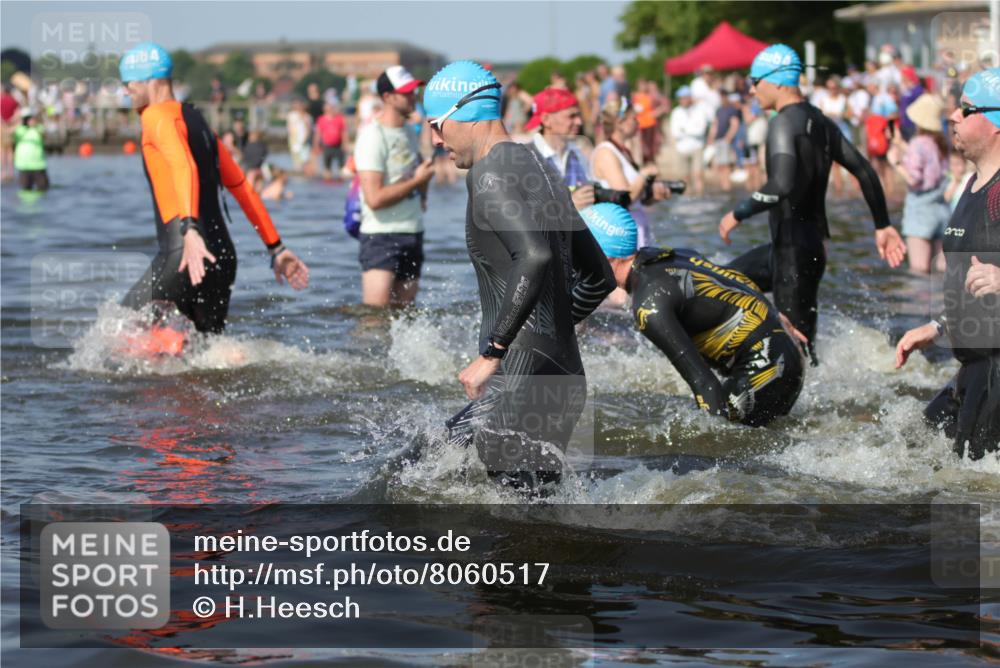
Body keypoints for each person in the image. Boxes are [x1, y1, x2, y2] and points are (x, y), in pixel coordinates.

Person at [423, 60, 615, 492]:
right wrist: (555, 332)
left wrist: (493, 353)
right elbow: (600, 276)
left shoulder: (488, 173)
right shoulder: (541, 168)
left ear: (466, 113)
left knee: (410, 480)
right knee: (532, 523)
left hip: (517, 377)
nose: (436, 139)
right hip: (564, 376)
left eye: (437, 125)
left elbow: (534, 255)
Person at [719, 44, 906, 364]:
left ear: (777, 82)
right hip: (799, 248)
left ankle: (817, 407)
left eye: (755, 80)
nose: (751, 89)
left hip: (794, 251)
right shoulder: (821, 121)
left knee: (800, 349)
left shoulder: (782, 123)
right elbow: (864, 170)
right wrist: (882, 224)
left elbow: (780, 184)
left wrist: (737, 214)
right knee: (722, 287)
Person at [117, 42, 309, 334]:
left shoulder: (155, 117)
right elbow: (241, 185)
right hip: (222, 255)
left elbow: (184, 166)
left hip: (185, 252)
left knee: (121, 333)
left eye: (127, 83)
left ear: (148, 80)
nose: (125, 90)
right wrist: (276, 247)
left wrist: (190, 229)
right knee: (206, 355)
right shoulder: (196, 120)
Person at [582, 203, 805, 425]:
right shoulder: (668, 257)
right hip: (784, 352)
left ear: (603, 254)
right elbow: (727, 281)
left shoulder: (649, 306)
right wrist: (773, 315)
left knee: (730, 436)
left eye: (580, 252)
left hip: (769, 369)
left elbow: (704, 385)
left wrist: (711, 446)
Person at [895, 68, 1000, 460]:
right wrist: (939, 326)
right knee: (914, 449)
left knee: (969, 490)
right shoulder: (972, 187)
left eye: (967, 109)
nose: (953, 116)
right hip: (974, 364)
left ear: (996, 125)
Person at [354, 65, 434, 308]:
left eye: (414, 91)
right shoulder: (372, 136)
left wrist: (423, 186)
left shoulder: (410, 132)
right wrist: (417, 181)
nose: (413, 96)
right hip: (381, 235)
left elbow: (419, 182)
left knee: (405, 318)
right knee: (374, 317)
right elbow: (374, 198)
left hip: (413, 231)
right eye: (407, 92)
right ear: (387, 97)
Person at [591, 97, 671, 249]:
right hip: (621, 234)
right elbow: (625, 198)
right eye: (634, 118)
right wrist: (644, 173)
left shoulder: (623, 151)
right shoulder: (606, 152)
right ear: (620, 124)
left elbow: (636, 198)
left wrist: (654, 197)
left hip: (636, 229)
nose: (638, 122)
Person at [887, 93, 950, 274]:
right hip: (941, 210)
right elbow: (928, 162)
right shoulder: (940, 142)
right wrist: (900, 144)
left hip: (920, 212)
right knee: (941, 273)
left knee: (919, 271)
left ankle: (919, 304)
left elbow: (914, 179)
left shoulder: (917, 143)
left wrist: (896, 163)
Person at [523, 87, 594, 210]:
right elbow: (522, 213)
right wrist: (568, 207)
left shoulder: (577, 153)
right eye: (571, 116)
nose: (579, 122)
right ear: (546, 120)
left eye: (578, 115)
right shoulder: (526, 158)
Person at [669, 86, 707, 196]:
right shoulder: (676, 112)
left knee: (698, 175)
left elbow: (701, 130)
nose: (684, 100)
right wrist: (691, 130)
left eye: (686, 97)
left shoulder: (699, 111)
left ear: (690, 98)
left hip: (697, 146)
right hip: (682, 149)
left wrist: (685, 130)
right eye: (682, 98)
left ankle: (699, 198)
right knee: (684, 178)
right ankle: (687, 199)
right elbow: (676, 132)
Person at [707, 92, 741, 192]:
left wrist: (728, 138)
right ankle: (723, 187)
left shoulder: (731, 110)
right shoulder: (719, 110)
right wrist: (711, 137)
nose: (721, 98)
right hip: (718, 140)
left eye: (723, 96)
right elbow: (715, 125)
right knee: (719, 165)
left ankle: (727, 187)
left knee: (725, 165)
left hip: (725, 141)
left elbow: (735, 124)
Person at [13, 108, 49, 191]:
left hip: (38, 165)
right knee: (25, 191)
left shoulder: (39, 128)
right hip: (24, 166)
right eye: (26, 118)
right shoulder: (19, 129)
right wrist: (18, 121)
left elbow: (44, 136)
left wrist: (35, 125)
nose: (29, 120)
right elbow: (7, 132)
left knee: (43, 189)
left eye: (30, 118)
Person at [313, 102, 347, 180]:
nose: (330, 110)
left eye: (331, 109)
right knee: (327, 168)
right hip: (327, 146)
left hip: (338, 146)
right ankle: (327, 186)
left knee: (341, 168)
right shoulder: (321, 119)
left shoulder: (339, 118)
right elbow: (318, 133)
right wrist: (316, 145)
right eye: (327, 109)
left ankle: (340, 184)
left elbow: (343, 132)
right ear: (324, 110)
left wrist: (345, 144)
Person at [286, 99, 311, 172]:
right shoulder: (291, 115)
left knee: (305, 157)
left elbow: (308, 128)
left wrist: (306, 137)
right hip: (294, 138)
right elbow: (290, 127)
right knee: (296, 157)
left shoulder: (307, 116)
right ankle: (298, 171)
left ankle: (305, 171)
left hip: (304, 138)